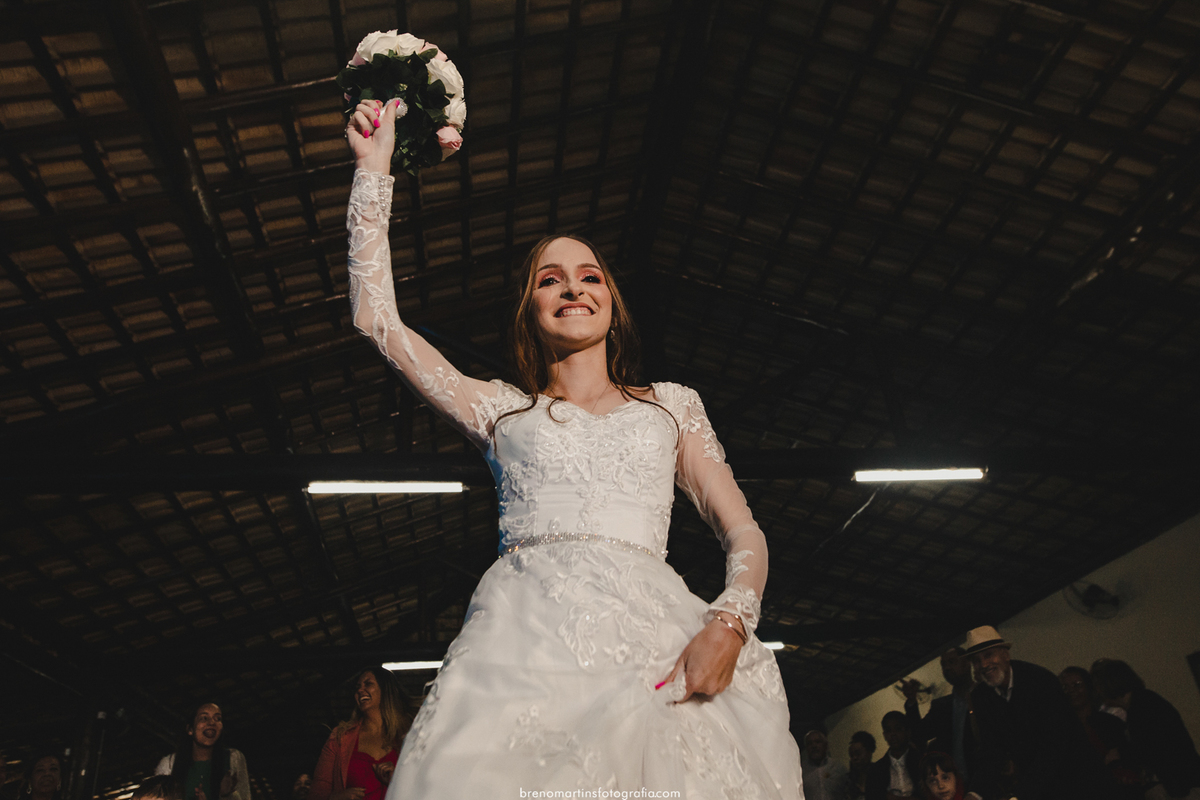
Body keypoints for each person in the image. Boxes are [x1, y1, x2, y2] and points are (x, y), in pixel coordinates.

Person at [343, 100, 801, 796]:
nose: (573, 288)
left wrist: (731, 624)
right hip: (522, 650)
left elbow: (744, 531)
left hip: (652, 640)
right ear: (529, 306)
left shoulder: (672, 407)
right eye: (549, 278)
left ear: (612, 300)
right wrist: (373, 171)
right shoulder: (499, 410)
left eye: (589, 275)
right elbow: (377, 319)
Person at [964, 626, 1114, 800]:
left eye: (988, 655)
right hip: (1040, 788)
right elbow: (991, 751)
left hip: (1081, 779)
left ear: (1005, 654)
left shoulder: (1040, 680)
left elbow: (1055, 745)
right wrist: (975, 793)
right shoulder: (982, 696)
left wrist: (1020, 795)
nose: (983, 664)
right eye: (976, 660)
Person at [1091, 659, 1200, 800]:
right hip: (1184, 784)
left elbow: (1154, 749)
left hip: (1184, 787)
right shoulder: (1143, 703)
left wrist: (1120, 753)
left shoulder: (1143, 707)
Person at [310, 667, 415, 800]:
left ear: (386, 690)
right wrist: (336, 798)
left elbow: (429, 785)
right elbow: (316, 792)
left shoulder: (412, 733)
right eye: (357, 687)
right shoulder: (340, 737)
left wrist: (398, 782)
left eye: (368, 684)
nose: (360, 690)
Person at [1059, 666, 1138, 795]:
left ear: (1089, 687)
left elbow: (1129, 758)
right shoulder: (1060, 729)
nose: (1071, 691)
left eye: (1077, 685)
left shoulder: (1110, 723)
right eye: (1065, 687)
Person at [901, 648, 978, 781]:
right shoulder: (941, 706)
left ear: (967, 662)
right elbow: (918, 734)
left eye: (952, 662)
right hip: (952, 783)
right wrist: (912, 701)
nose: (947, 668)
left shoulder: (984, 696)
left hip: (983, 776)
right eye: (943, 665)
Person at [154, 703, 249, 800]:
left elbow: (246, 797)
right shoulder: (168, 765)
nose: (212, 723)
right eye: (204, 718)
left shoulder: (234, 758)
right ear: (190, 729)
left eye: (218, 719)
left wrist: (226, 795)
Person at [866, 711, 923, 800]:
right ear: (884, 735)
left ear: (908, 732)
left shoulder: (921, 762)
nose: (893, 734)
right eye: (888, 731)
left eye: (898, 729)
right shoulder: (876, 770)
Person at [803, 729, 849, 800]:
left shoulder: (838, 768)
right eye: (809, 743)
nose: (814, 746)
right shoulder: (800, 772)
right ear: (806, 748)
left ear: (826, 745)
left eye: (817, 742)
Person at [845, 732, 878, 800]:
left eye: (858, 753)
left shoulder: (881, 774)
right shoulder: (849, 782)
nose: (855, 758)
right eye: (851, 755)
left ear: (869, 752)